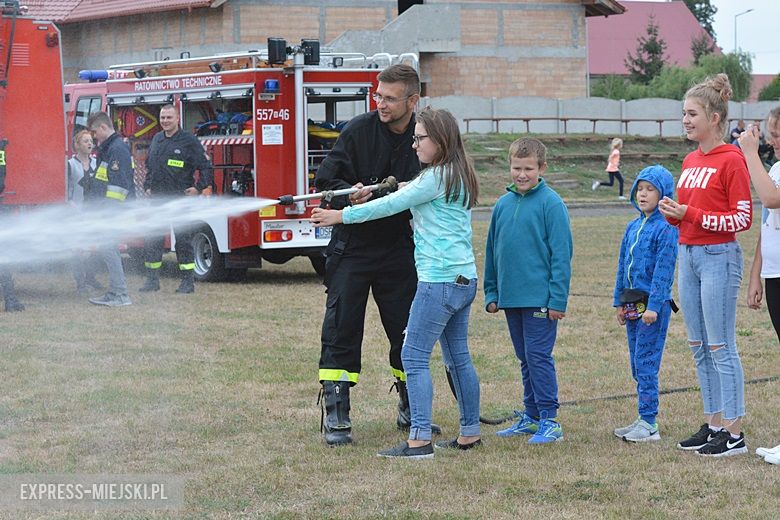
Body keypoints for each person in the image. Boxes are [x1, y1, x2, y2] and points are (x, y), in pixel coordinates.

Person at [312, 107, 481, 459]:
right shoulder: (457, 173)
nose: (414, 144)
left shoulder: (431, 179)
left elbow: (388, 206)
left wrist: (340, 214)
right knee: (458, 358)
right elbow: (410, 190)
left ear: (441, 141)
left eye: (420, 139)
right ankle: (469, 433)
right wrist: (400, 185)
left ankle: (418, 439)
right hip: (465, 280)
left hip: (439, 283)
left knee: (413, 357)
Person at [312, 64, 435, 446]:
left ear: (413, 101)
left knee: (406, 330)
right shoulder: (358, 131)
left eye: (389, 97)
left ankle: (411, 406)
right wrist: (348, 191)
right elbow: (325, 183)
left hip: (399, 249)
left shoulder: (425, 137)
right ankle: (337, 414)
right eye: (377, 95)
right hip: (353, 248)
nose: (380, 103)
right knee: (341, 328)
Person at [658, 74, 752, 457]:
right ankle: (713, 422)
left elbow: (741, 218)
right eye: (683, 113)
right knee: (698, 345)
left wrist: (690, 214)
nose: (685, 119)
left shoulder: (732, 159)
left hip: (718, 257)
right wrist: (674, 215)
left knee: (720, 345)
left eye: (692, 113)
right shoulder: (690, 159)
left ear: (714, 117)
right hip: (688, 254)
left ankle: (734, 432)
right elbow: (691, 212)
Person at [484, 137, 573, 444]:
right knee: (525, 356)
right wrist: (492, 292)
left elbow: (561, 256)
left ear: (541, 168)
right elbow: (492, 250)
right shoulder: (502, 205)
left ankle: (550, 419)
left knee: (538, 355)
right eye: (516, 168)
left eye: (528, 168)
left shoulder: (552, 204)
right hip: (512, 298)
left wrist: (557, 299)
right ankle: (532, 416)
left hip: (540, 300)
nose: (521, 174)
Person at [612, 165, 678, 443]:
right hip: (631, 302)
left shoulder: (667, 228)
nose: (643, 194)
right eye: (640, 188)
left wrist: (654, 305)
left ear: (663, 194)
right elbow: (622, 266)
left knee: (647, 361)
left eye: (650, 189)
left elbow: (664, 269)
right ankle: (641, 418)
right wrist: (619, 302)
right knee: (636, 365)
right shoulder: (632, 226)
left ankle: (650, 423)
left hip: (652, 307)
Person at [739, 108, 780, 464]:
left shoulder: (770, 170)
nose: (772, 141)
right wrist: (757, 273)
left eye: (779, 135)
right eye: (771, 134)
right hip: (776, 273)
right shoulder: (777, 169)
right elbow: (768, 223)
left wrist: (750, 155)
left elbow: (770, 199)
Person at [140, 104, 213, 294]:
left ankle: (187, 282)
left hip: (180, 199)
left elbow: (206, 167)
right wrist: (147, 186)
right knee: (153, 240)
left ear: (177, 118)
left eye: (168, 118)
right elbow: (150, 166)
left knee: (183, 241)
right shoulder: (157, 139)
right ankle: (152, 280)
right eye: (162, 118)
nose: (165, 121)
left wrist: (197, 188)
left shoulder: (188, 140)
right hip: (157, 200)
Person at [84, 112, 134, 307]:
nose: (94, 137)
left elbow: (119, 186)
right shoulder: (109, 149)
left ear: (103, 128)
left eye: (95, 132)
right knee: (108, 248)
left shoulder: (117, 149)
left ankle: (120, 294)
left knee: (108, 248)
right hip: (107, 209)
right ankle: (116, 292)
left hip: (113, 210)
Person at [67, 130, 103, 295]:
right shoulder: (70, 164)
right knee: (78, 248)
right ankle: (80, 283)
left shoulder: (96, 163)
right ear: (77, 145)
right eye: (85, 141)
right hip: (76, 211)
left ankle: (91, 277)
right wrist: (71, 204)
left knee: (94, 247)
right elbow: (66, 189)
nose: (90, 144)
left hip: (93, 212)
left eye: (91, 141)